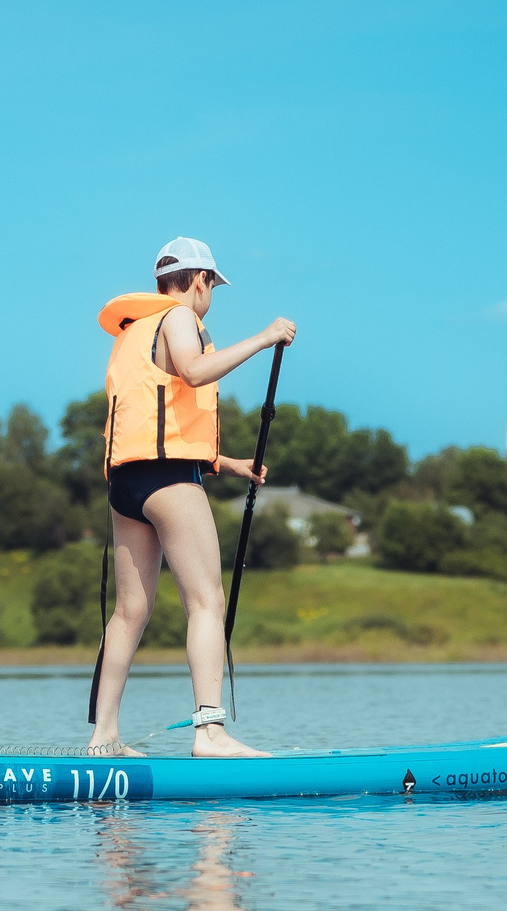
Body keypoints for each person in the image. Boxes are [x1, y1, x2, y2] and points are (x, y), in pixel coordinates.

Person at [86, 236, 294, 758]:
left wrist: (226, 464)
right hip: (169, 482)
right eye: (212, 287)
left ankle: (103, 737)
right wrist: (266, 337)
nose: (210, 298)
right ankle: (210, 733)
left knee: (130, 612)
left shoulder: (134, 332)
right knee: (206, 602)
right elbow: (195, 372)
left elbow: (159, 422)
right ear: (199, 280)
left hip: (127, 485)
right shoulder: (179, 319)